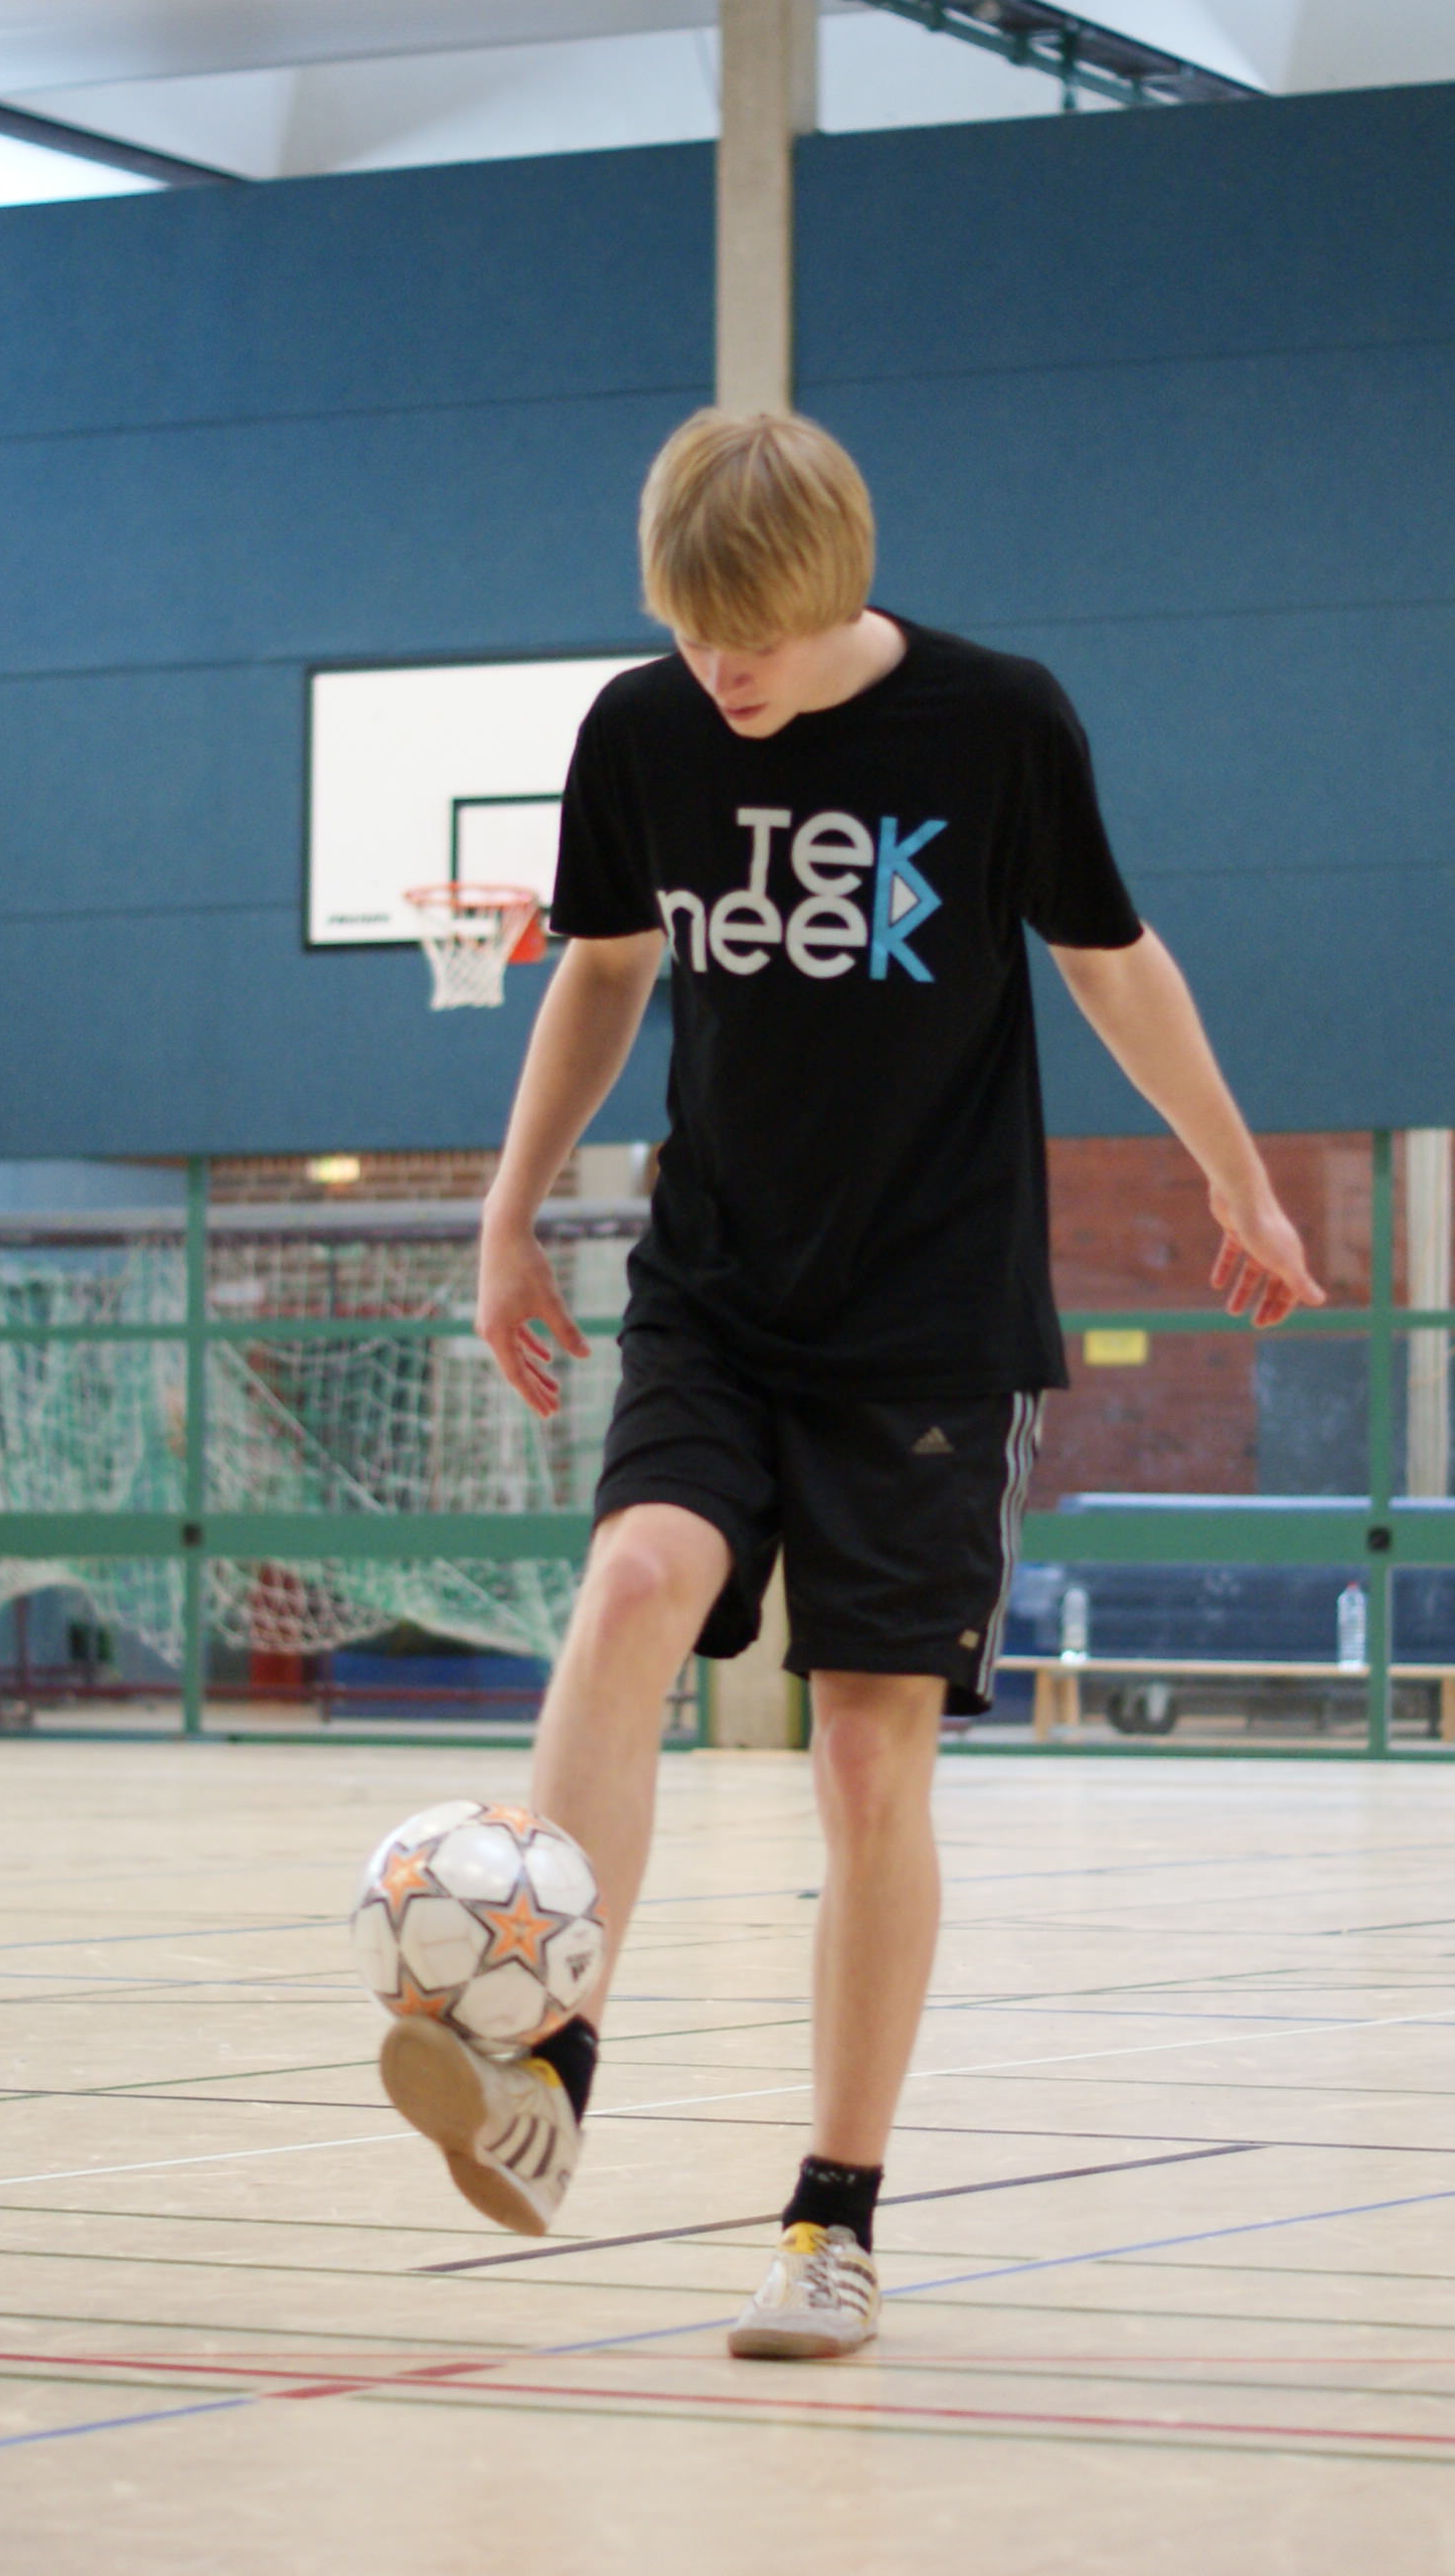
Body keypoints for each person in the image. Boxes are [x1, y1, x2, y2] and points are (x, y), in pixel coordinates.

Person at [381, 409, 1324, 2363]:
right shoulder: (641, 731)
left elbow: (1110, 959)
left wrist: (1237, 1178)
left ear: (834, 592)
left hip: (930, 1322)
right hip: (717, 1286)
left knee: (869, 1759)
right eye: (692, 631)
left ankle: (832, 2220)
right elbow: (602, 968)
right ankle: (541, 2057)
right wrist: (506, 1210)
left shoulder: (996, 724)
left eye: (755, 639)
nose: (721, 672)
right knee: (632, 1585)